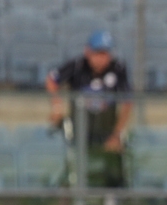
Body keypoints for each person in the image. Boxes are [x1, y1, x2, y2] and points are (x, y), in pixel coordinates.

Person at [46, 30, 132, 188]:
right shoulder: (77, 66)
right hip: (80, 131)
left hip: (107, 131)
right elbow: (52, 81)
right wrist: (57, 108)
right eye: (98, 53)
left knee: (115, 173)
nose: (102, 58)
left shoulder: (117, 69)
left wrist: (116, 133)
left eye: (105, 53)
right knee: (72, 172)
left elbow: (128, 102)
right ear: (88, 51)